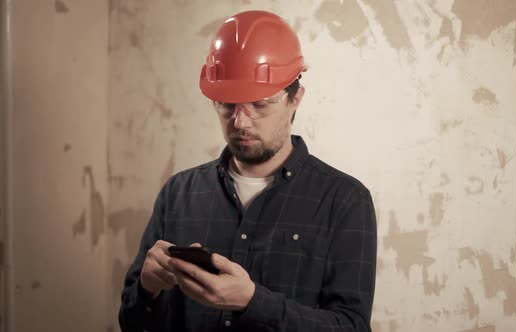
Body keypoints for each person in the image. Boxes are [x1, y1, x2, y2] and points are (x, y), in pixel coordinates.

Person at [119, 10, 377, 332]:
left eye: (259, 104)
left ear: (295, 98)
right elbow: (131, 322)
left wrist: (253, 303)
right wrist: (147, 288)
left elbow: (351, 327)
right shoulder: (178, 193)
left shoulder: (345, 201)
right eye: (227, 104)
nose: (240, 121)